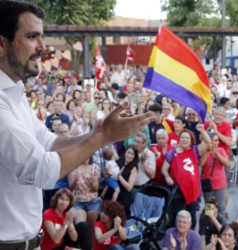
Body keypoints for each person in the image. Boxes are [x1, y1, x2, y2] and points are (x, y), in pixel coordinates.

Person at [0, 2, 157, 245]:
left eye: (41, 37)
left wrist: (94, 134)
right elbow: (40, 170)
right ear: (1, 44)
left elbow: (49, 142)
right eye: (32, 37)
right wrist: (102, 137)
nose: (42, 47)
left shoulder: (15, 93)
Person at [162, 125, 210, 228]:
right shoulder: (172, 153)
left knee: (191, 215)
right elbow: (164, 169)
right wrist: (167, 177)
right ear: (179, 139)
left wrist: (202, 131)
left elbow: (208, 142)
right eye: (182, 137)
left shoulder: (195, 150)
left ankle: (191, 236)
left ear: (191, 139)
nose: (184, 140)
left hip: (192, 190)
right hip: (177, 190)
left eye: (187, 138)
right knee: (177, 215)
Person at [200, 132, 229, 215]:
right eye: (215, 140)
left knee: (221, 207)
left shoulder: (221, 150)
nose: (217, 142)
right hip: (207, 183)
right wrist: (208, 152)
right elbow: (201, 164)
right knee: (208, 206)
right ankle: (209, 224)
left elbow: (226, 163)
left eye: (217, 140)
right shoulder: (203, 151)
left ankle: (222, 226)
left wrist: (217, 153)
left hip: (220, 183)